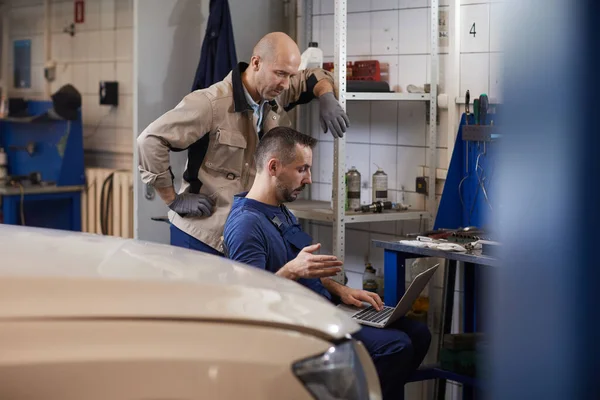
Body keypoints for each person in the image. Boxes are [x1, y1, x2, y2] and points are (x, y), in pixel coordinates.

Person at [223, 127, 432, 400]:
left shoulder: (280, 210)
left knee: (418, 333)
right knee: (395, 347)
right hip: (295, 327)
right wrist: (290, 271)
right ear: (273, 167)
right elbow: (248, 303)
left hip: (324, 309)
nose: (309, 179)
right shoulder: (246, 224)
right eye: (302, 169)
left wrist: (340, 290)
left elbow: (304, 268)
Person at [137, 32, 349, 256]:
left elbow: (314, 75)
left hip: (244, 233)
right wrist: (172, 199)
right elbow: (150, 140)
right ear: (256, 63)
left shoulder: (275, 93)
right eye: (280, 74)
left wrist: (326, 96)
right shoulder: (210, 104)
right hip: (201, 235)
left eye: (290, 75)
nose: (286, 84)